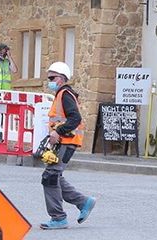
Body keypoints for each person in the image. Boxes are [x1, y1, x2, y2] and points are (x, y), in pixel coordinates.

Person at [40, 61, 95, 230]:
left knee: (50, 177)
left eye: (52, 77)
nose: (49, 80)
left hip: (66, 142)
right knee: (54, 176)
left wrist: (58, 132)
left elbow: (75, 118)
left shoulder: (64, 94)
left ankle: (58, 218)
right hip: (64, 142)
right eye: (48, 77)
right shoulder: (62, 94)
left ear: (62, 79)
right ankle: (83, 202)